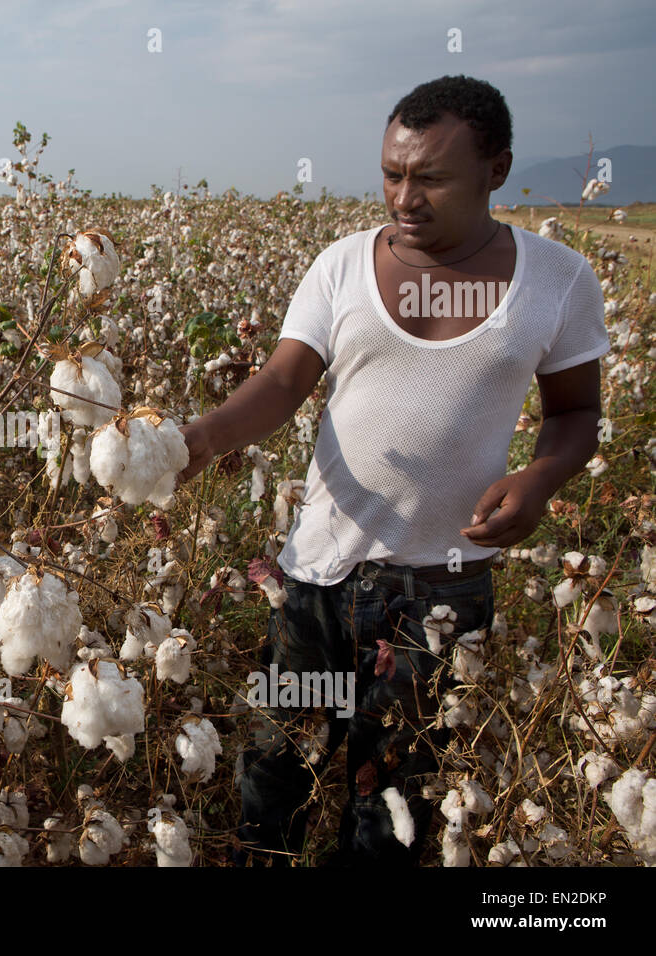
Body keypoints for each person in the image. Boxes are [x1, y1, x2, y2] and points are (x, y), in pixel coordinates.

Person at [177, 75, 610, 866]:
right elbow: (282, 382)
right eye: (392, 173)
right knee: (273, 778)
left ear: (497, 171)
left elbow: (577, 413)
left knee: (394, 806)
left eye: (430, 178)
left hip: (441, 595)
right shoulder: (343, 266)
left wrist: (541, 479)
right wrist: (205, 437)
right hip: (315, 584)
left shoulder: (558, 281)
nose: (404, 197)